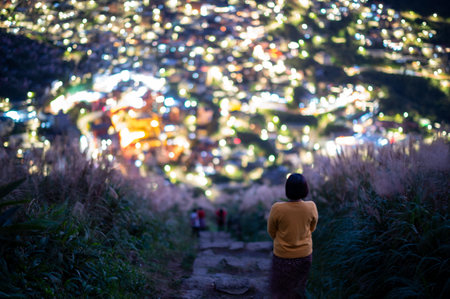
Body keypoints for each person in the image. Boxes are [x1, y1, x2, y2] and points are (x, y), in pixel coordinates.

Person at [267, 173, 318, 299]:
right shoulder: (311, 206)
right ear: (305, 189)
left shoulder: (277, 208)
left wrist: (281, 240)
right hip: (304, 256)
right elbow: (312, 228)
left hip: (282, 256)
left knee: (280, 291)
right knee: (299, 288)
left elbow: (271, 231)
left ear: (287, 189)